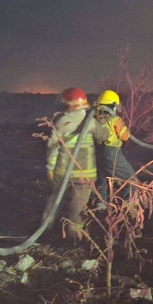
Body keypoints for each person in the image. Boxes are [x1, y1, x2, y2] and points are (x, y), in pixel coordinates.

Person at [43, 87, 109, 238]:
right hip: (85, 174)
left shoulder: (62, 121)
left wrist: (50, 168)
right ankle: (75, 234)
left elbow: (53, 147)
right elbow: (103, 136)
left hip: (63, 171)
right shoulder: (90, 120)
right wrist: (102, 119)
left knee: (56, 199)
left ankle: (46, 226)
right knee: (79, 205)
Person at [94, 90, 138, 206]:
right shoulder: (115, 120)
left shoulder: (96, 119)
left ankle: (100, 205)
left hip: (99, 152)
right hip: (112, 153)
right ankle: (129, 207)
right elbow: (124, 137)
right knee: (130, 179)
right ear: (114, 105)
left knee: (103, 178)